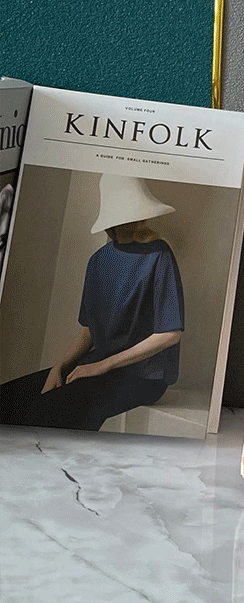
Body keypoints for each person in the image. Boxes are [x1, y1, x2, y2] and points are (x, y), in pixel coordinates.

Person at [0, 175, 184, 431]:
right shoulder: (97, 261)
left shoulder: (159, 254)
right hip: (96, 364)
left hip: (143, 376)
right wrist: (60, 366)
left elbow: (170, 334)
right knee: (8, 399)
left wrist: (104, 365)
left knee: (47, 410)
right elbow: (88, 331)